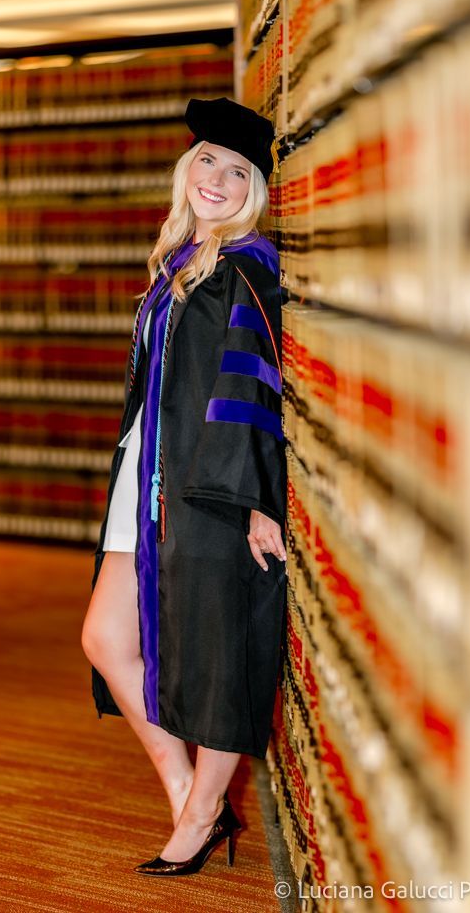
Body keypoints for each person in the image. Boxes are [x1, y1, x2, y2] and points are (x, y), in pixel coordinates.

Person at [80, 96, 287, 877]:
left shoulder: (244, 269)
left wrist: (255, 499)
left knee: (219, 652)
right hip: (146, 480)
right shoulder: (178, 261)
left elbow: (251, 387)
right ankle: (185, 789)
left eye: (239, 171)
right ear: (185, 168)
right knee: (104, 638)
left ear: (254, 192)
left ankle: (200, 815)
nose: (218, 179)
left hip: (207, 489)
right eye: (208, 160)